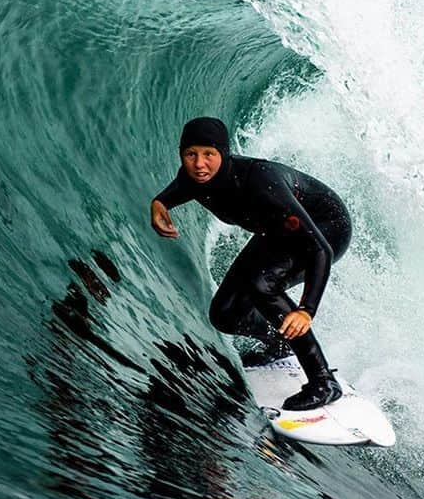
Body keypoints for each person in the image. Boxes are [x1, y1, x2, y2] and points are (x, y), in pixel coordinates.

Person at [150, 117, 352, 412]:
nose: (199, 163)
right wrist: (159, 203)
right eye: (191, 154)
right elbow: (180, 187)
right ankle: (278, 343)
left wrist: (306, 310)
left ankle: (324, 382)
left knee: (263, 284)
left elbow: (318, 248)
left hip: (326, 229)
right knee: (225, 314)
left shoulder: (259, 183)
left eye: (209, 154)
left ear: (224, 153)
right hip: (277, 231)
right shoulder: (194, 177)